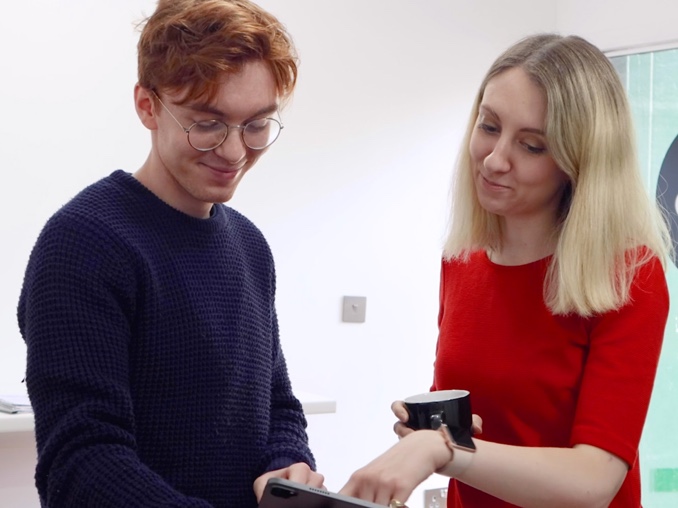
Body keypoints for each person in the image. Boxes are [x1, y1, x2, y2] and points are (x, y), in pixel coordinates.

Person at [340, 33, 671, 508]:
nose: (495, 160)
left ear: (579, 162)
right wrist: (430, 430)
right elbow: (478, 424)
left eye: (532, 146)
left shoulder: (628, 275)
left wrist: (443, 450)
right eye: (489, 126)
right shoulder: (463, 260)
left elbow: (594, 480)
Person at [17, 0, 323, 506]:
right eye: (207, 124)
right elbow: (81, 463)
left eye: (257, 124)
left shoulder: (249, 246)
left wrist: (286, 470)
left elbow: (278, 405)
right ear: (148, 105)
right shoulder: (83, 243)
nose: (234, 151)